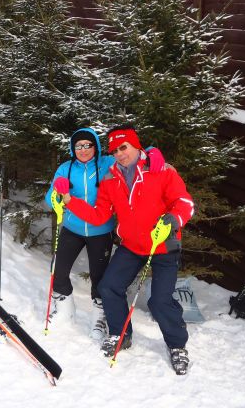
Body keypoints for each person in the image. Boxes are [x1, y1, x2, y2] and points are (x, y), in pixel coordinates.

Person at [54, 125, 194, 375]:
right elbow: (99, 216)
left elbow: (184, 202)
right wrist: (69, 201)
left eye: (123, 147)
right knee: (108, 287)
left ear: (136, 146)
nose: (119, 153)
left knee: (159, 301)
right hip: (131, 246)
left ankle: (177, 345)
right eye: (115, 150)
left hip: (162, 245)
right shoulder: (110, 179)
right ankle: (120, 334)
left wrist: (173, 220)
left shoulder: (160, 170)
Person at [45, 128, 165, 340]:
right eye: (78, 146)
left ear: (96, 147)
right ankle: (65, 310)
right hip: (73, 228)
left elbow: (131, 156)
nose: (83, 150)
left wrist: (152, 152)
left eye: (87, 145)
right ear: (72, 149)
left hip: (101, 231)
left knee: (99, 277)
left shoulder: (107, 163)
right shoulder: (65, 168)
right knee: (58, 269)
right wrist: (56, 195)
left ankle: (99, 317)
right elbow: (51, 197)